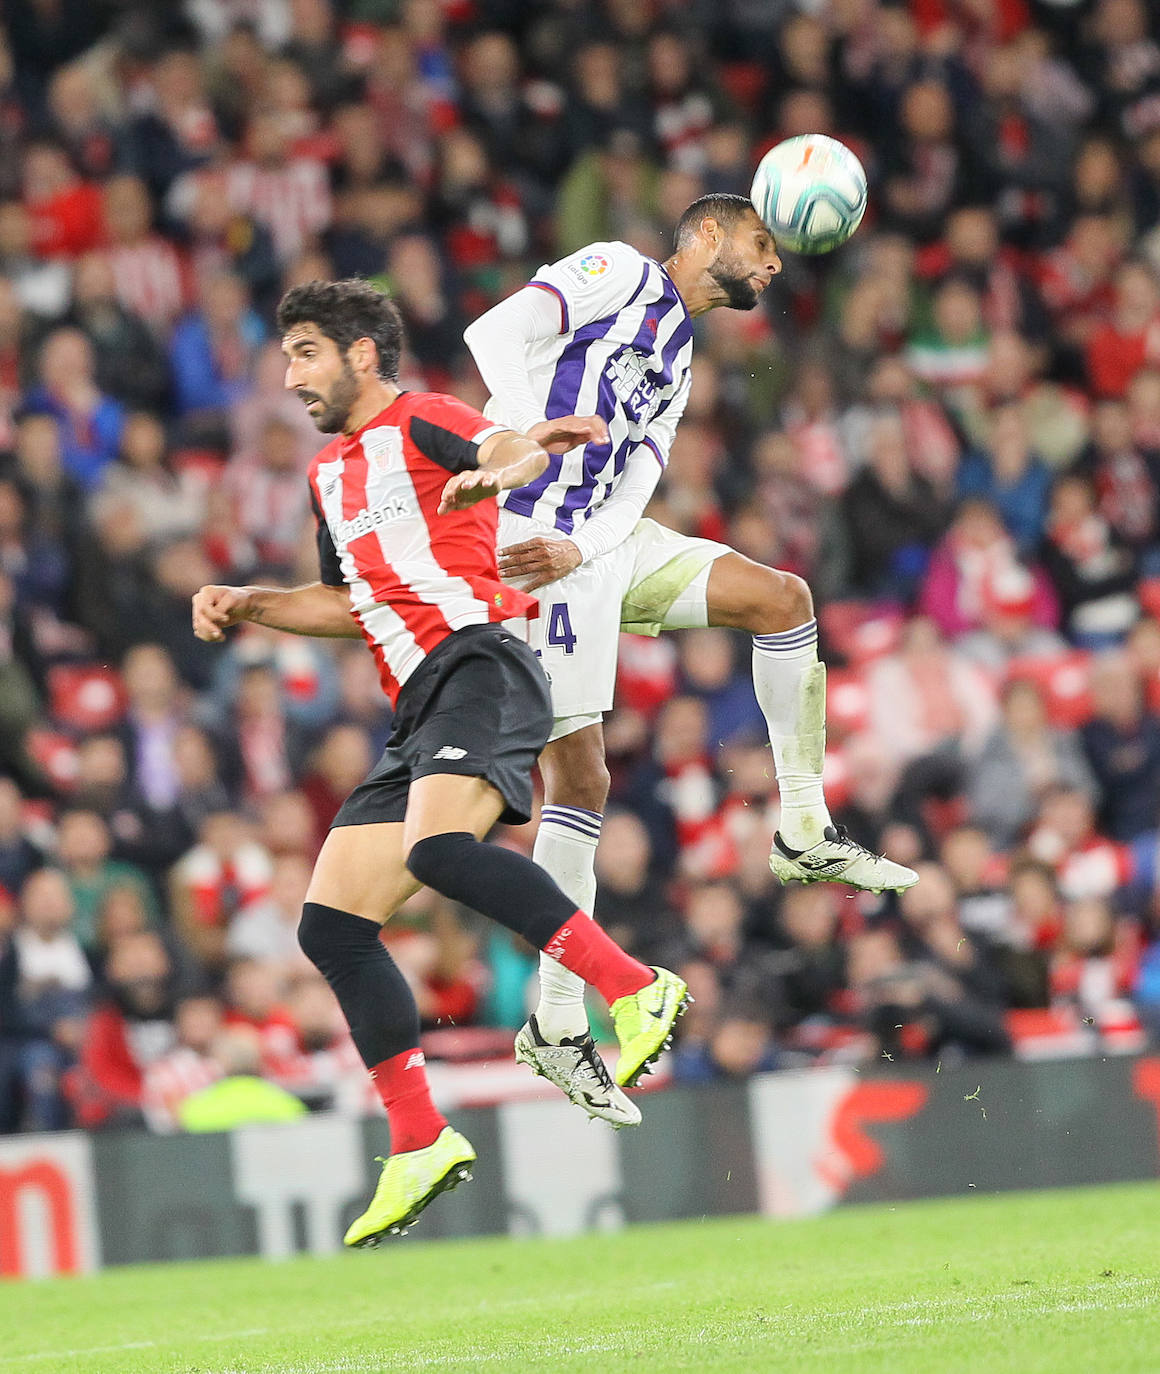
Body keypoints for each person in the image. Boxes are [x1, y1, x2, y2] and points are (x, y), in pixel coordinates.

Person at [191, 279, 690, 1245]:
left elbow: (500, 445)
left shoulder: (424, 419)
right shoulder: (329, 478)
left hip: (482, 663)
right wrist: (254, 601)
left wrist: (500, 473)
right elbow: (351, 605)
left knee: (434, 852)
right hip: (416, 703)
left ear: (364, 354)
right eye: (287, 353)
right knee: (332, 925)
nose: (289, 374)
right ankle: (419, 1139)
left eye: (305, 352)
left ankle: (636, 989)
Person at [464, 193, 917, 1124]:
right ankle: (554, 1025)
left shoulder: (679, 353)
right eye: (761, 243)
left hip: (594, 544)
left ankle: (801, 827)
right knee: (579, 782)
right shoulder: (618, 271)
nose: (774, 264)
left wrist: (592, 549)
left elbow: (634, 480)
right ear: (706, 235)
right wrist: (518, 445)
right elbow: (493, 332)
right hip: (524, 538)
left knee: (783, 599)